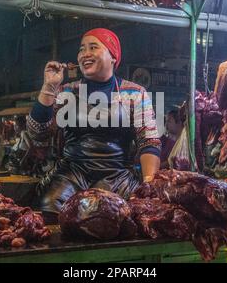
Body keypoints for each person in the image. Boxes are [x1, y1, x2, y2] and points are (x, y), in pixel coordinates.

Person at [27, 28, 161, 218]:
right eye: (82, 49)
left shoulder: (134, 93)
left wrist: (149, 183)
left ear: (113, 56)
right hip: (70, 175)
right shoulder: (67, 92)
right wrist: (49, 87)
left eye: (93, 47)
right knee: (50, 213)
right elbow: (38, 133)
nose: (85, 54)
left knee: (115, 220)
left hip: (117, 179)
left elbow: (149, 142)